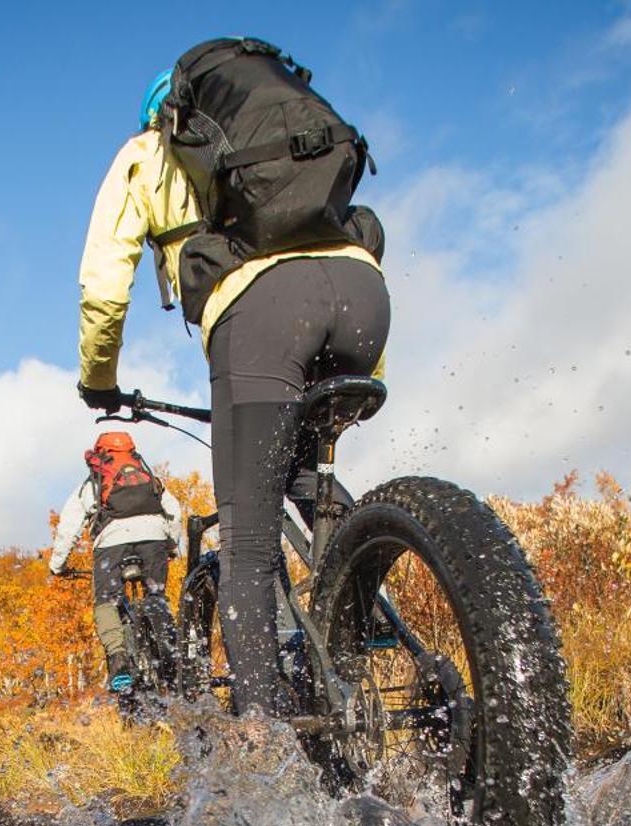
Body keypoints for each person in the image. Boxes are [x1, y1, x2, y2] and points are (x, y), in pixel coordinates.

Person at [76, 41, 390, 717]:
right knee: (307, 481)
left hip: (265, 318)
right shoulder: (279, 147)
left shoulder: (146, 153)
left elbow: (104, 281)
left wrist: (99, 378)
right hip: (366, 297)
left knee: (245, 548)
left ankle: (265, 755)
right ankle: (369, 611)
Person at [47, 430, 185, 693]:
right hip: (154, 539)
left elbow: (68, 527)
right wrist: (171, 546)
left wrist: (58, 565)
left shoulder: (93, 484)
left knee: (107, 602)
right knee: (156, 595)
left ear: (99, 455)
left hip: (111, 543)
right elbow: (174, 512)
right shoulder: (149, 480)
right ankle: (169, 651)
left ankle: (118, 657)